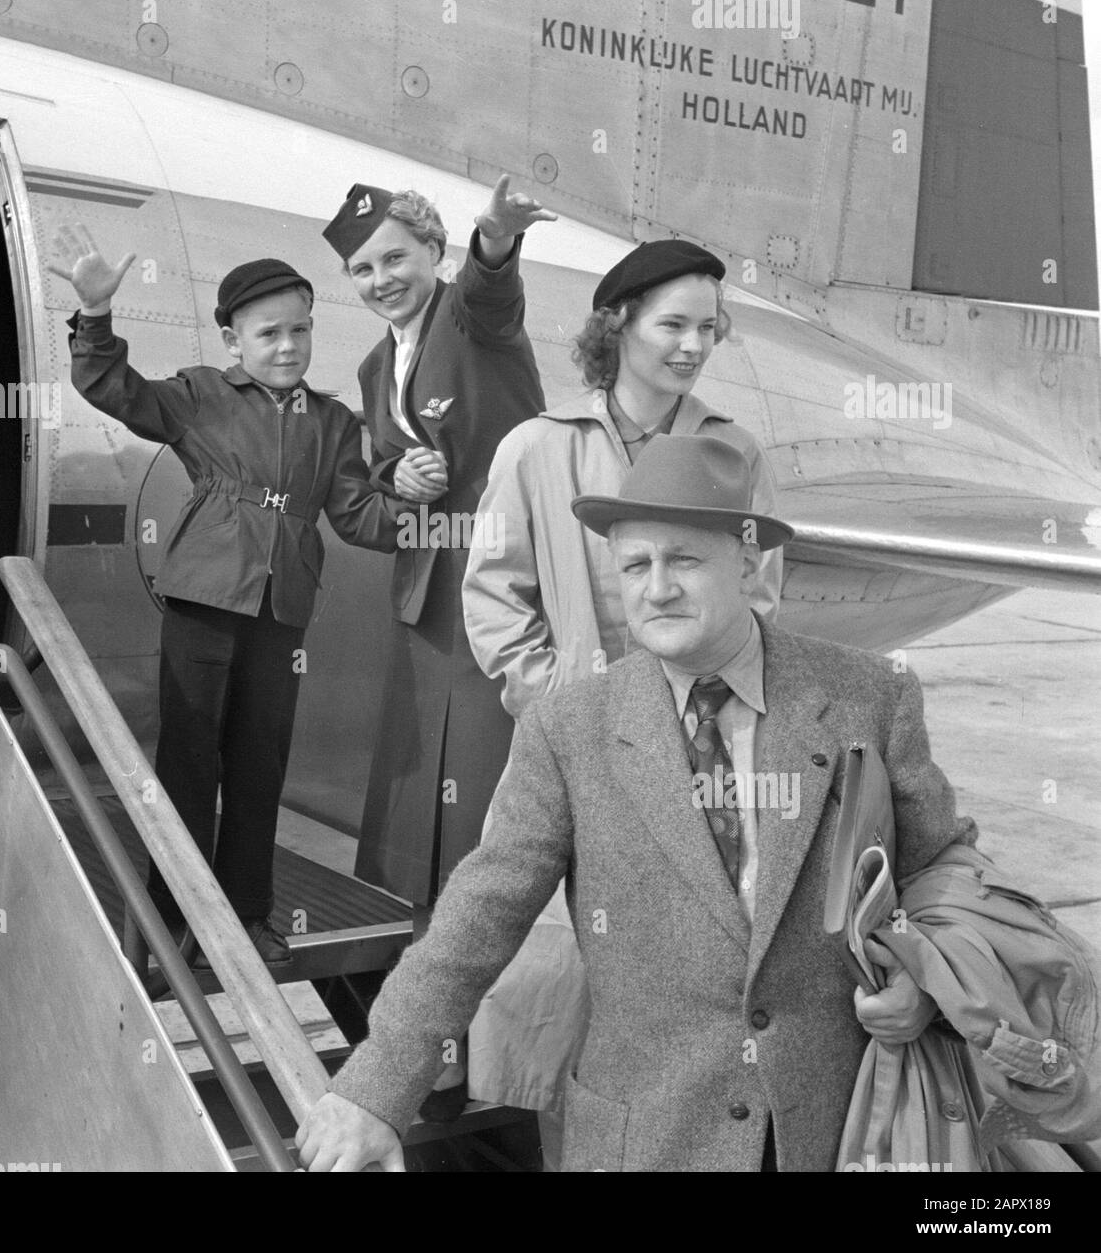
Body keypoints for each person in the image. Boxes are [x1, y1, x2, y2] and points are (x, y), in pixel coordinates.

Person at [296, 435, 976, 1171]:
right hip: (645, 1141)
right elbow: (478, 915)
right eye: (634, 565)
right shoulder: (570, 729)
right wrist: (374, 1089)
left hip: (835, 1131)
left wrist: (929, 983)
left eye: (684, 559)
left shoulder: (866, 696)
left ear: (747, 564)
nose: (657, 588)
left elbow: (944, 868)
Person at [460, 239, 783, 1160]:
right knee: (573, 1009)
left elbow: (761, 594)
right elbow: (492, 597)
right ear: (618, 326)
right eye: (672, 324)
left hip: (711, 758)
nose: (692, 345)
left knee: (702, 999)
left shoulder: (733, 450)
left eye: (708, 327)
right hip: (582, 758)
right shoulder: (535, 447)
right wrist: (561, 707)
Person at [49, 223, 413, 966]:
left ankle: (246, 914)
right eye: (270, 333)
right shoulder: (199, 394)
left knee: (259, 763)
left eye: (301, 330)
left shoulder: (336, 423)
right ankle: (169, 915)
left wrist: (418, 509)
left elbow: (358, 515)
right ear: (232, 339)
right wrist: (95, 317)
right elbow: (111, 387)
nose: (288, 346)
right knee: (189, 758)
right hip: (204, 598)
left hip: (281, 610)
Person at [321, 176, 553, 1109]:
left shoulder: (470, 317)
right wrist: (397, 473)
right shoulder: (382, 365)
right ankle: (417, 1009)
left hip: (495, 594)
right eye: (362, 267)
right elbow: (383, 469)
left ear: (434, 253)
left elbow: (496, 293)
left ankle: (484, 1031)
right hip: (425, 603)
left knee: (482, 811)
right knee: (413, 808)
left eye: (394, 258)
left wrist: (496, 240)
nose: (381, 278)